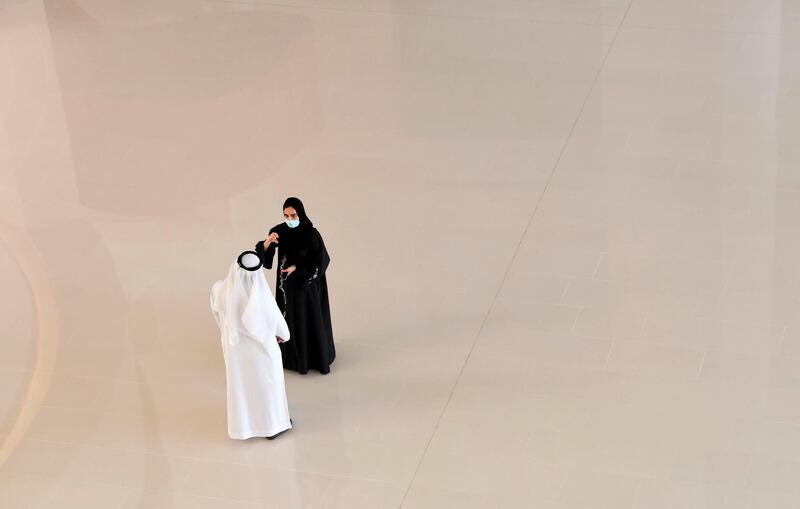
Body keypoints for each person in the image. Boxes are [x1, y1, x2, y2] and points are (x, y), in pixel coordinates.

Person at [210, 251, 292, 440]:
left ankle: (246, 427)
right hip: (262, 355)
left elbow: (217, 314)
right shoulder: (261, 299)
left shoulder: (219, 290)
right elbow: (283, 331)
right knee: (268, 388)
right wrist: (281, 336)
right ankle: (273, 426)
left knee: (242, 388)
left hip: (235, 353)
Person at [255, 197, 335, 375]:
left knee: (307, 317)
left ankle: (312, 358)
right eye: (286, 215)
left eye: (293, 215)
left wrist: (297, 268)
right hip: (287, 288)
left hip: (306, 286)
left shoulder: (311, 234)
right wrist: (268, 242)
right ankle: (292, 359)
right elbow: (264, 260)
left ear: (300, 213)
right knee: (288, 318)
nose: (290, 219)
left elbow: (322, 260)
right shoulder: (279, 231)